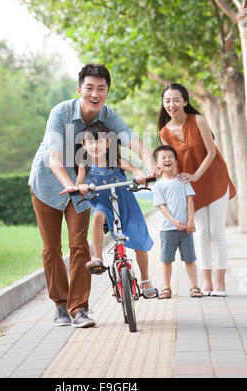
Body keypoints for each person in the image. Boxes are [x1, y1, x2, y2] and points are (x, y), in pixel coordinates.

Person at [29, 63, 158, 328]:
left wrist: (151, 167)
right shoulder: (60, 113)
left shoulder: (107, 115)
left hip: (85, 188)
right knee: (51, 247)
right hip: (48, 186)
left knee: (79, 246)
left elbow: (133, 140)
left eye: (101, 88)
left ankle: (79, 309)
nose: (95, 94)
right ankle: (60, 304)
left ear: (107, 92)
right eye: (89, 88)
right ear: (79, 90)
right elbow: (55, 160)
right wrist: (71, 183)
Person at [61, 121, 158, 299]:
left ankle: (145, 280)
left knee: (139, 242)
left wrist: (139, 175)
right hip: (102, 202)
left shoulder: (116, 161)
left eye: (99, 141)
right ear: (84, 145)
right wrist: (80, 188)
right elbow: (79, 183)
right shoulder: (85, 164)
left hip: (124, 202)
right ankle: (97, 258)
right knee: (97, 217)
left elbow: (135, 169)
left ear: (108, 143)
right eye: (90, 142)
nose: (94, 145)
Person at [157, 83, 236, 297]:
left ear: (185, 101)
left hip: (215, 179)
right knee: (201, 233)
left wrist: (196, 175)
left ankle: (220, 284)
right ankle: (206, 283)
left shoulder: (198, 121)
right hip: (191, 187)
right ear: (163, 104)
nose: (171, 105)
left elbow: (211, 152)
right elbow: (170, 161)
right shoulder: (164, 132)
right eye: (167, 101)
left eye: (175, 100)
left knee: (216, 231)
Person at [152, 145, 202, 299]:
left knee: (189, 258)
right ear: (157, 164)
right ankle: (166, 288)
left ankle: (194, 287)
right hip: (168, 229)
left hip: (186, 228)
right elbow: (162, 206)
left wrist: (191, 221)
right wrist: (173, 221)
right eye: (163, 157)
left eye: (170, 157)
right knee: (166, 260)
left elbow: (190, 201)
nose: (167, 159)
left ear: (175, 160)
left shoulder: (183, 180)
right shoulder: (158, 185)